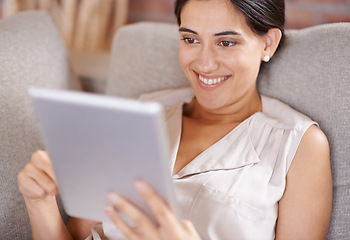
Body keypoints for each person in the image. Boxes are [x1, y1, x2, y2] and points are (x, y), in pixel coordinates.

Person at [17, 0, 332, 239]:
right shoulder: (141, 113)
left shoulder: (299, 143)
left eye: (226, 42)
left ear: (268, 43)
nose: (204, 63)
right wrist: (39, 200)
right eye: (190, 39)